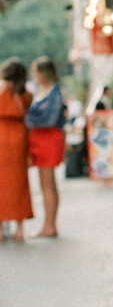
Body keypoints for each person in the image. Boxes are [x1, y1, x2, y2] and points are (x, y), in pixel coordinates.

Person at [26, 56, 66, 239]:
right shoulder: (43, 91)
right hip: (42, 139)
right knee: (48, 184)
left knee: (47, 184)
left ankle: (49, 225)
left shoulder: (54, 92)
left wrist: (27, 119)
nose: (34, 76)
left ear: (43, 73)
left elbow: (49, 119)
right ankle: (50, 224)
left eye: (36, 72)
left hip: (48, 139)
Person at [0, 57, 34, 241]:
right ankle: (19, 229)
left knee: (1, 184)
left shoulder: (0, 89)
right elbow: (27, 118)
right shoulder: (26, 94)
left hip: (1, 136)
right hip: (19, 138)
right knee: (19, 183)